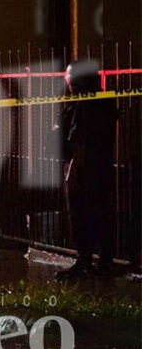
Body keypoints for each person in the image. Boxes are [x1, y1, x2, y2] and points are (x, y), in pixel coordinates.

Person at [55, 59, 118, 279]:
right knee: (98, 212)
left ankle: (85, 261)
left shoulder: (84, 105)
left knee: (81, 213)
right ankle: (102, 259)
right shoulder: (100, 101)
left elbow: (78, 139)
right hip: (99, 167)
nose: (66, 79)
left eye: (69, 76)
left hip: (83, 168)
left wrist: (73, 168)